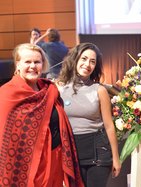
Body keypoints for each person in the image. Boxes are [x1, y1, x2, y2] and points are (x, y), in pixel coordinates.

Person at [0, 43, 84, 187]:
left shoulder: (49, 89)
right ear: (17, 65)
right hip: (23, 165)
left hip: (54, 159)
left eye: (37, 62)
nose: (33, 66)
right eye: (27, 62)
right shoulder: (7, 94)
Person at [56, 42, 121, 187]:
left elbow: (109, 126)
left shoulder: (99, 90)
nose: (87, 64)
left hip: (98, 151)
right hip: (70, 151)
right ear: (75, 59)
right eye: (84, 59)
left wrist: (116, 158)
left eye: (92, 61)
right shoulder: (59, 88)